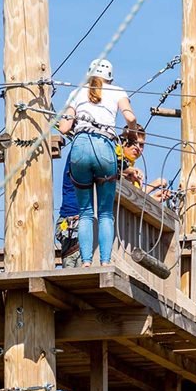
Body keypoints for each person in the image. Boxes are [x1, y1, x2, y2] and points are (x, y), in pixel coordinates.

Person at [56, 58, 138, 265]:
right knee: (105, 213)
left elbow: (64, 128)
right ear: (111, 77)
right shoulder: (117, 91)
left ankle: (85, 261)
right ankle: (104, 261)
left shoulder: (76, 92)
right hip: (105, 147)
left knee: (84, 211)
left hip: (80, 149)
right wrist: (133, 133)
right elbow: (130, 118)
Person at [116, 124, 172, 201]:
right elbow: (116, 165)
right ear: (123, 141)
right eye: (134, 142)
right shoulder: (114, 153)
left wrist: (155, 198)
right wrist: (154, 184)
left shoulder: (133, 170)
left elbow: (135, 198)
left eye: (141, 144)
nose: (138, 147)